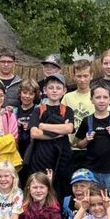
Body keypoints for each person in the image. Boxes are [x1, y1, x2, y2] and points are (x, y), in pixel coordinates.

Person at [28, 73, 75, 205]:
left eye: (58, 88)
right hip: (41, 156)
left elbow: (69, 129)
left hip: (62, 157)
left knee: (60, 190)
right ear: (45, 90)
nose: (54, 91)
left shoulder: (68, 110)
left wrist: (43, 126)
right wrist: (59, 131)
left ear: (64, 91)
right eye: (51, 88)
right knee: (40, 188)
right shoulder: (38, 110)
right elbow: (34, 133)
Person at [75, 85, 110, 194]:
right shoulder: (87, 121)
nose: (101, 100)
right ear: (92, 100)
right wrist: (86, 140)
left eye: (105, 97)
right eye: (98, 97)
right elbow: (79, 144)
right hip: (91, 171)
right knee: (92, 199)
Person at [63, 59, 95, 169]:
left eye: (85, 76)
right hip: (70, 148)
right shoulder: (67, 97)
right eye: (79, 76)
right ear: (74, 76)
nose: (82, 80)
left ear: (91, 76)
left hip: (90, 148)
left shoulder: (97, 96)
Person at [14, 78, 41, 184]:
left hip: (32, 150)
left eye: (31, 94)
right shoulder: (14, 110)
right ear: (20, 93)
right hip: (17, 149)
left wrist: (31, 126)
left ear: (35, 95)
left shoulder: (38, 110)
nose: (27, 96)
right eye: (24, 93)